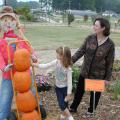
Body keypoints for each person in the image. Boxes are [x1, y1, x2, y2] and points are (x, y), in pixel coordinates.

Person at [69, 18, 115, 118]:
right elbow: (80, 51)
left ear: (103, 28)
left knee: (95, 95)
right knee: (79, 91)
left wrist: (107, 78)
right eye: (94, 25)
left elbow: (110, 63)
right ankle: (73, 107)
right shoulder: (90, 38)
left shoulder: (110, 44)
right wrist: (70, 61)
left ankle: (91, 111)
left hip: (98, 75)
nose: (93, 27)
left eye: (96, 25)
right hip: (85, 71)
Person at [0, 6, 37, 120]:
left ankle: (34, 110)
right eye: (5, 20)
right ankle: (3, 116)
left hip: (24, 74)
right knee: (5, 101)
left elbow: (28, 49)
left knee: (31, 95)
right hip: (9, 75)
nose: (8, 23)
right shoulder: (1, 41)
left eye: (10, 20)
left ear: (15, 21)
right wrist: (3, 67)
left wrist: (33, 57)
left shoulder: (19, 38)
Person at [34, 46, 74, 120]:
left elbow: (70, 82)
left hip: (65, 88)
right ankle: (64, 115)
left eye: (57, 54)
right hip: (58, 88)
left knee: (64, 104)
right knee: (61, 103)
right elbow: (45, 66)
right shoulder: (56, 62)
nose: (56, 55)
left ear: (62, 56)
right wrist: (34, 65)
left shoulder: (68, 68)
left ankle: (69, 117)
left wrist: (69, 94)